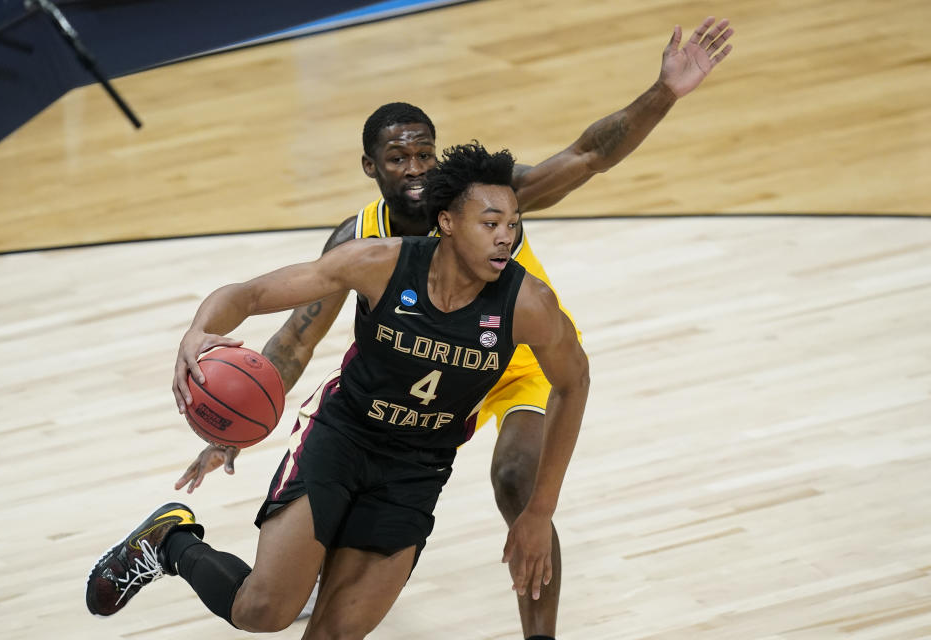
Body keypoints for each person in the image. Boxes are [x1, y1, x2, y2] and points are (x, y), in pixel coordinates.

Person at [174, 15, 734, 640]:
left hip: (508, 358)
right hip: (403, 381)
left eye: (424, 155)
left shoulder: (484, 199)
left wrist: (664, 93)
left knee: (518, 481)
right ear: (371, 167)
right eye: (398, 158)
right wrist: (231, 423)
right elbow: (292, 339)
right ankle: (292, 557)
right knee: (274, 602)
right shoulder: (364, 247)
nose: (415, 169)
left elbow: (588, 154)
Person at [86, 143, 590, 638]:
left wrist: (539, 512)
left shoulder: (528, 303)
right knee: (264, 610)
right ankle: (170, 541)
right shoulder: (379, 263)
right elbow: (251, 293)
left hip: (417, 468)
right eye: (491, 223)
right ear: (448, 222)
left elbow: (573, 383)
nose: (506, 238)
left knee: (335, 633)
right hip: (342, 438)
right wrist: (199, 331)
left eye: (513, 223)